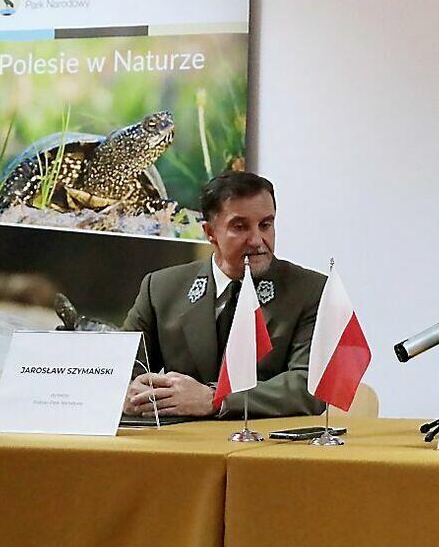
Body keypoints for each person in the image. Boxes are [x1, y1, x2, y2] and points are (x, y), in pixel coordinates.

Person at [121, 171, 325, 419]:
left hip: (265, 437)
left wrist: (215, 399)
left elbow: (311, 387)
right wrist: (130, 392)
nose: (257, 240)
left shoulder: (309, 289)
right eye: (240, 227)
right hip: (181, 437)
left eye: (265, 225)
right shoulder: (161, 288)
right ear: (210, 232)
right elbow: (119, 370)